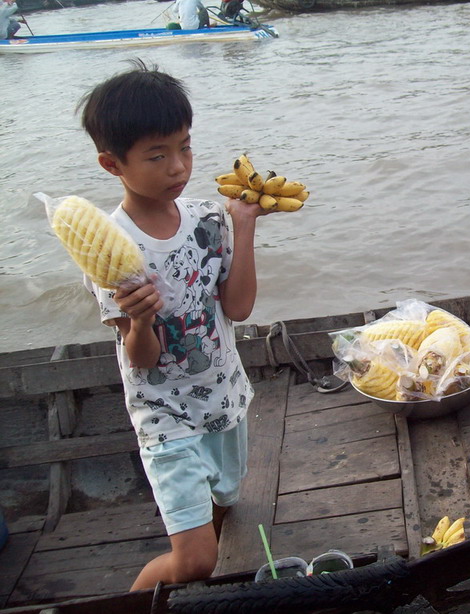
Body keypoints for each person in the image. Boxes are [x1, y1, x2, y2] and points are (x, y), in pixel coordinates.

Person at [77, 59, 268, 590]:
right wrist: (138, 321)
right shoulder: (108, 249)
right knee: (193, 561)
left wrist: (244, 227)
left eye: (184, 146)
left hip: (224, 399)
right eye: (157, 155)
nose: (178, 166)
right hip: (165, 415)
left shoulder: (208, 218)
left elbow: (238, 308)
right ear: (112, 164)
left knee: (224, 518)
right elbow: (141, 359)